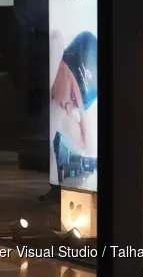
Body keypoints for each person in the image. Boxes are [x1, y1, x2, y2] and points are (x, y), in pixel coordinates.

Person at [40, 30, 98, 202]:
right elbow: (56, 39)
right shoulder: (54, 52)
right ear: (64, 65)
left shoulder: (61, 108)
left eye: (76, 103)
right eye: (73, 95)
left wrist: (81, 108)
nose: (69, 105)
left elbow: (89, 148)